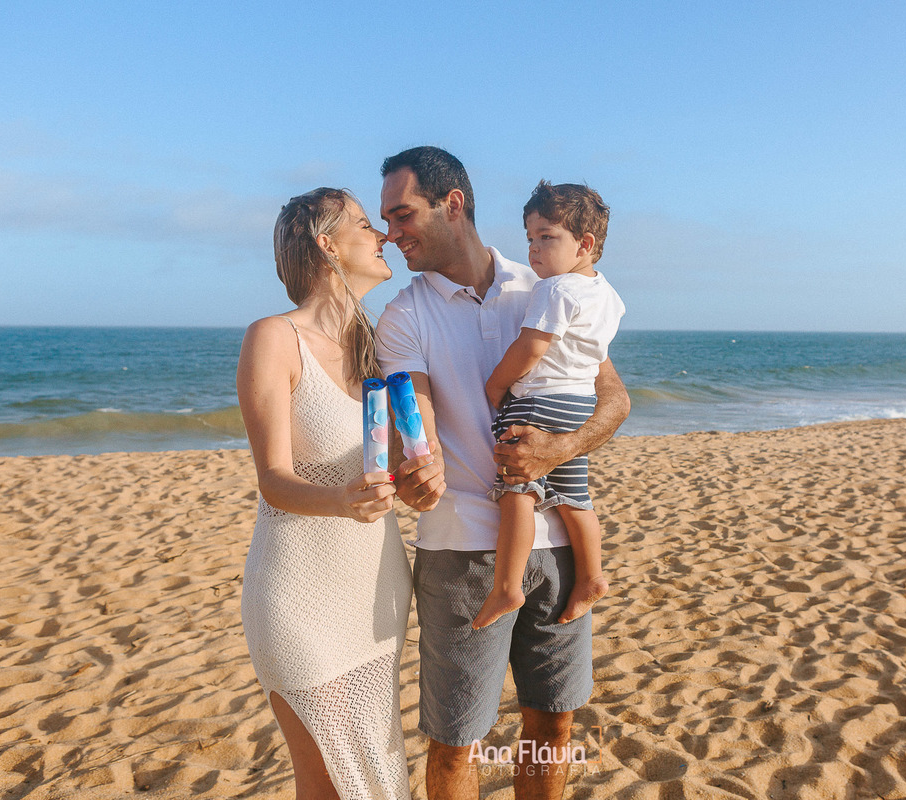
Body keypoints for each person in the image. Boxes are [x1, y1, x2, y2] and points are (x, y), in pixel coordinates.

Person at [375, 147, 630, 800]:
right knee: (457, 742)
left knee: (553, 725)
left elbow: (615, 400)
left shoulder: (549, 283)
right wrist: (417, 467)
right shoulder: (404, 315)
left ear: (452, 204)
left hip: (560, 545)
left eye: (402, 214)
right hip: (462, 555)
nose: (390, 233)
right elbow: (418, 418)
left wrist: (558, 448)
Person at [237, 188, 415, 800]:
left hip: (376, 593)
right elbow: (273, 479)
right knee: (333, 782)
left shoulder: (380, 345)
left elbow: (396, 465)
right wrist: (342, 498)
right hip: (299, 596)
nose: (385, 236)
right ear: (327, 244)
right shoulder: (273, 337)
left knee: (380, 776)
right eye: (369, 225)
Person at [474, 181, 625, 631]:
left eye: (546, 237)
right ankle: (592, 576)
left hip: (539, 401)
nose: (534, 249)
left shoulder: (555, 290)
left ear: (586, 244)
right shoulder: (609, 296)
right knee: (575, 496)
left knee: (516, 488)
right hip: (579, 406)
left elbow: (531, 348)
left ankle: (507, 585)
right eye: (530, 238)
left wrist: (496, 385)